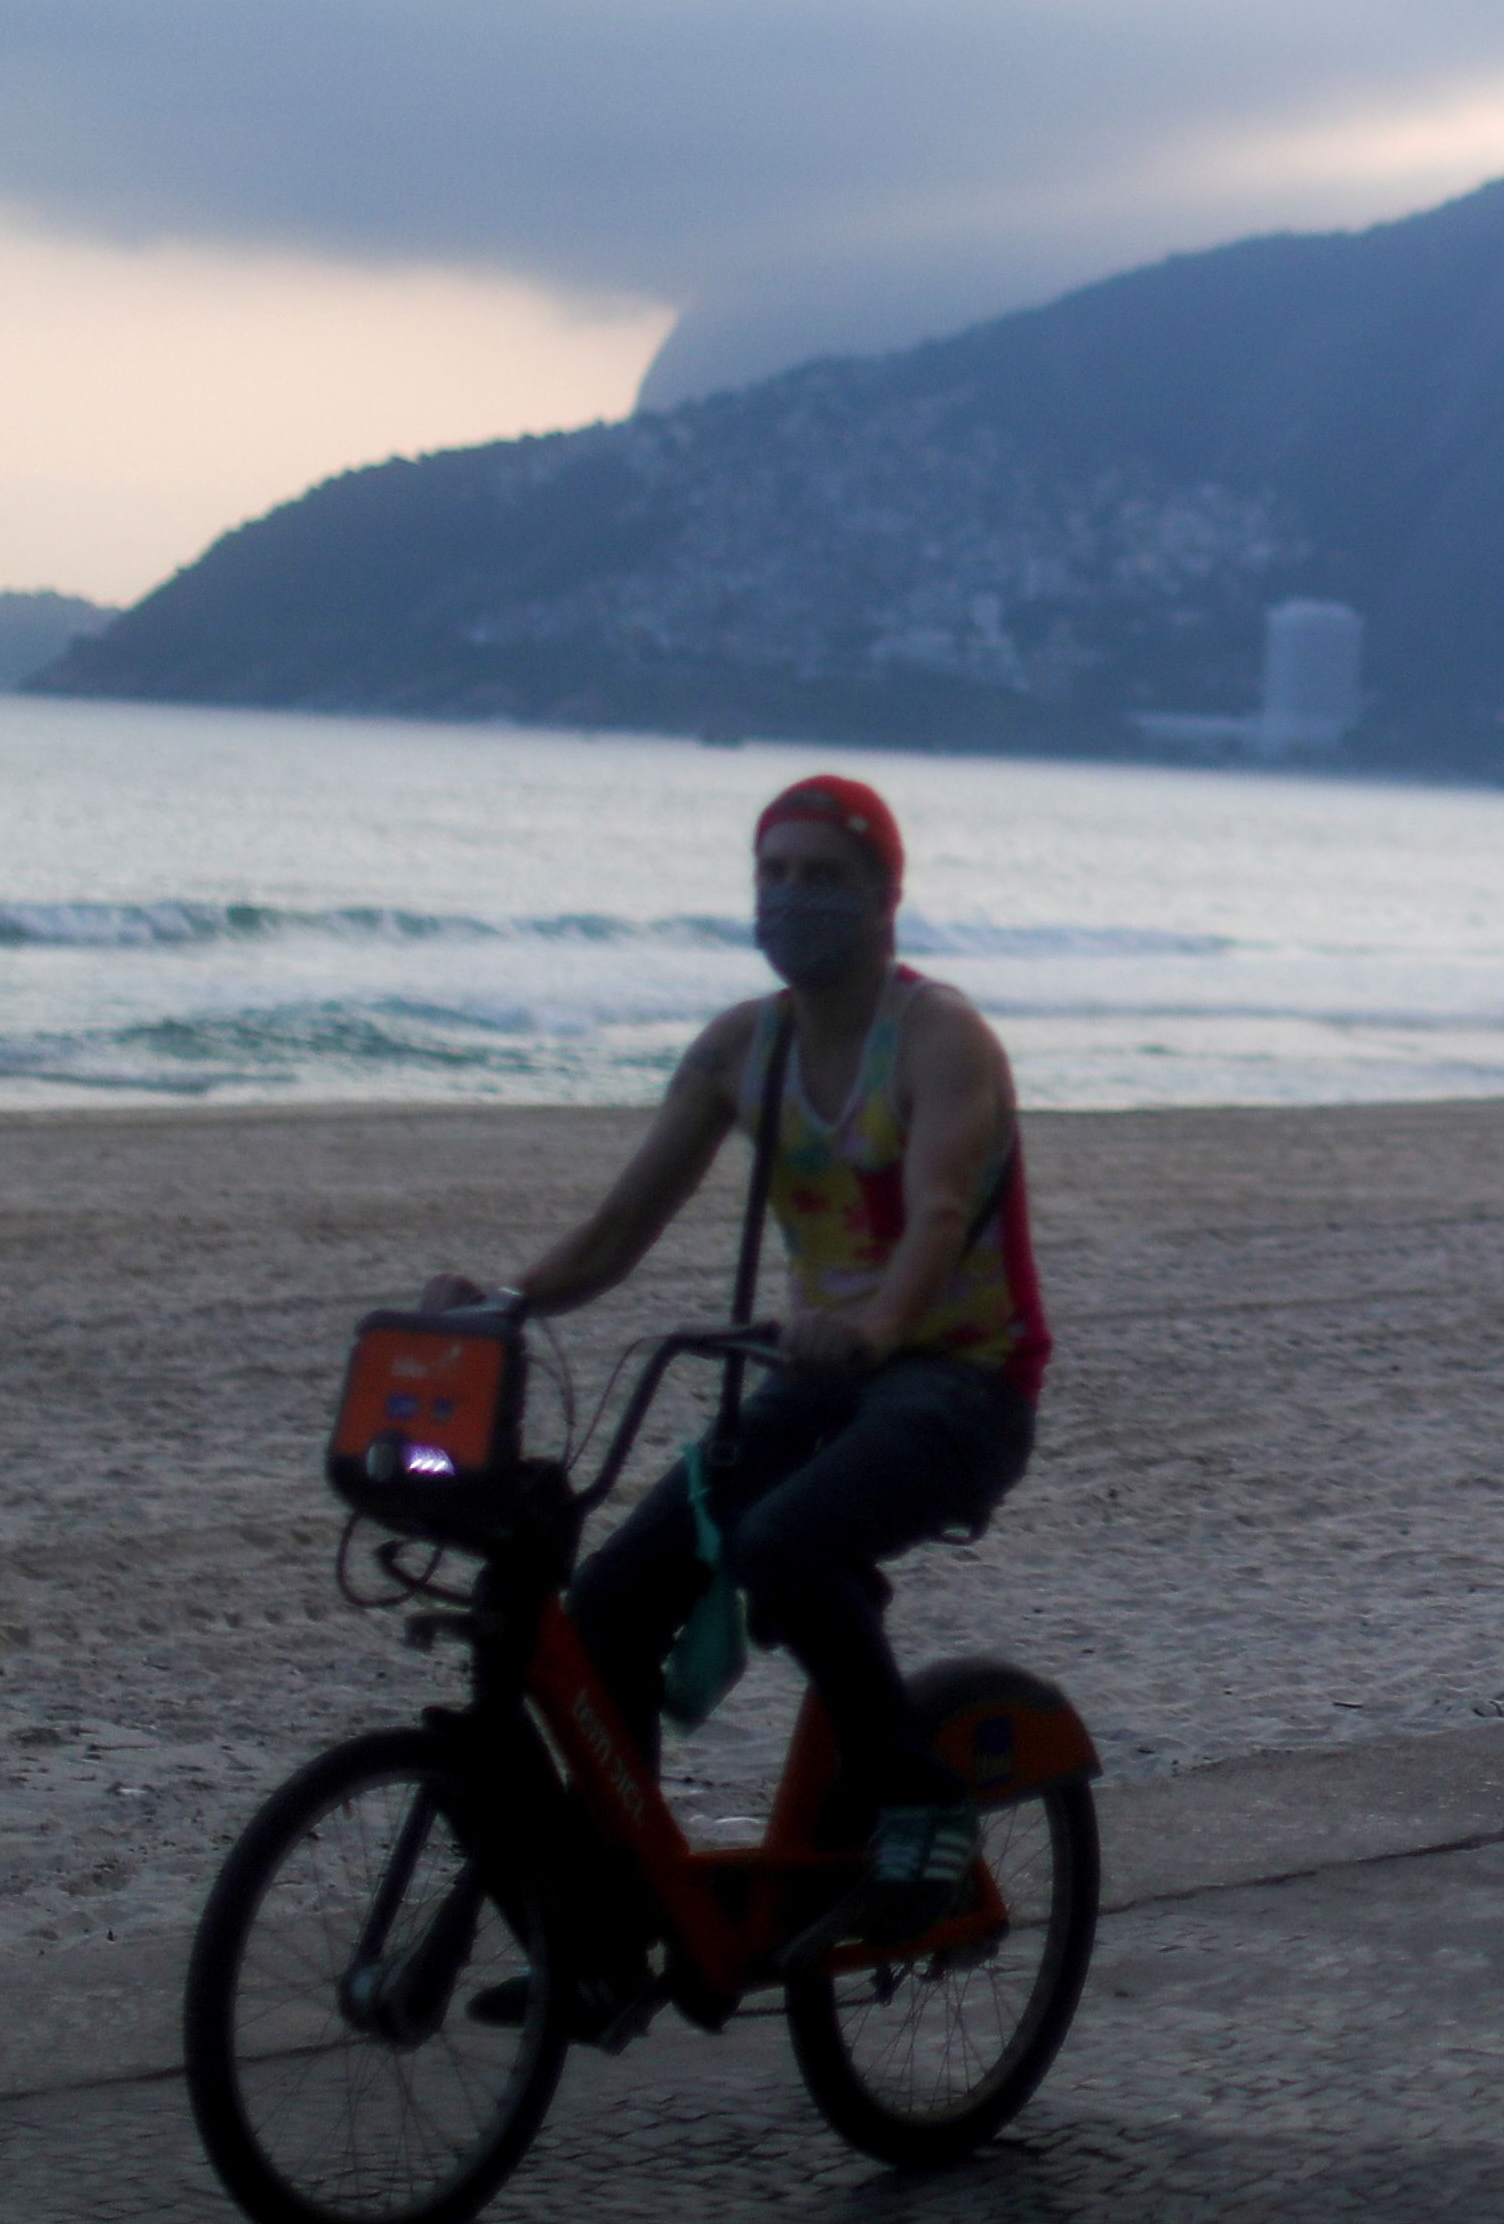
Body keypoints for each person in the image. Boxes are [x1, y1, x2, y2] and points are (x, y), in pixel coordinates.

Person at [425, 772, 1046, 1955]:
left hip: (960, 1381)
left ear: (885, 897)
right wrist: (502, 1300)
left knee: (780, 1545)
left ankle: (922, 1809)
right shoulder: (737, 1050)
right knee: (606, 1601)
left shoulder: (939, 1038)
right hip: (821, 1378)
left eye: (823, 877)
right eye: (773, 876)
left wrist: (870, 1328)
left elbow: (936, 1211)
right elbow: (616, 1233)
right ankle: (620, 1914)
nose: (791, 899)